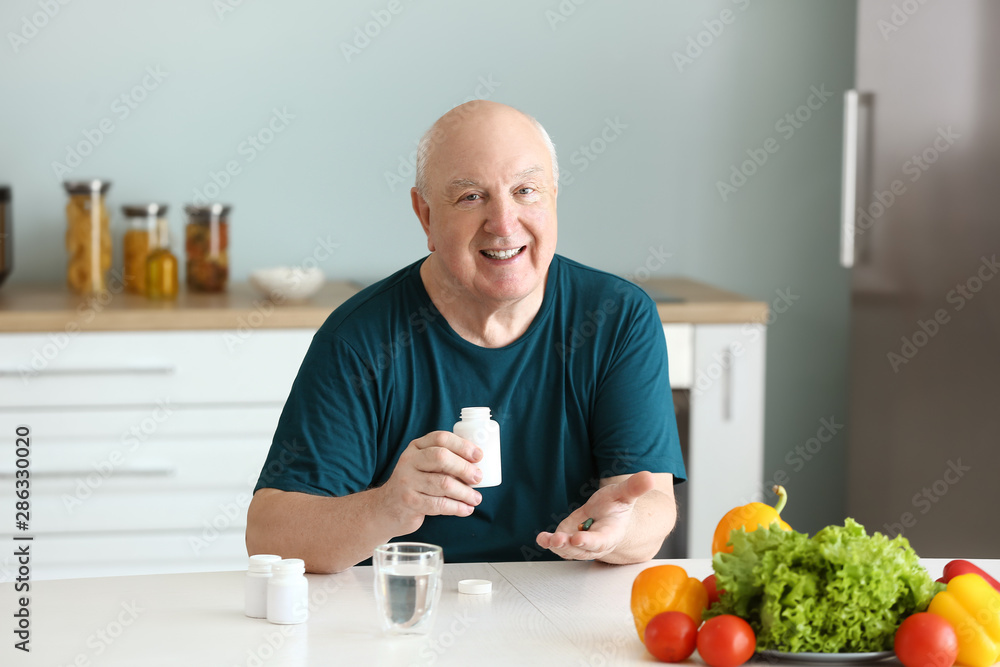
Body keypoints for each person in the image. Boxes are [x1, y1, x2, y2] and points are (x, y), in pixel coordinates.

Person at [246, 100, 686, 573]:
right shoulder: (361, 337)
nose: (503, 223)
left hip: (567, 607)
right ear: (426, 216)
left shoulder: (616, 317)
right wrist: (388, 507)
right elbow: (271, 534)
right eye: (471, 196)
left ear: (554, 198)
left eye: (525, 191)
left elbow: (651, 504)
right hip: (411, 614)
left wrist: (620, 531)